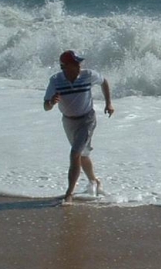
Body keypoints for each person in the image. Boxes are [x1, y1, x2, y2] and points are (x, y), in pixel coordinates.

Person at [43, 50, 114, 203]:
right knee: (82, 155)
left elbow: (104, 82)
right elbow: (45, 106)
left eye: (79, 62)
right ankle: (94, 181)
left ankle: (69, 193)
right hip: (68, 121)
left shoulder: (88, 75)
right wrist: (51, 102)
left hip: (87, 119)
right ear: (65, 66)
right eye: (75, 63)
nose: (79, 65)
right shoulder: (55, 80)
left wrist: (109, 103)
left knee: (74, 153)